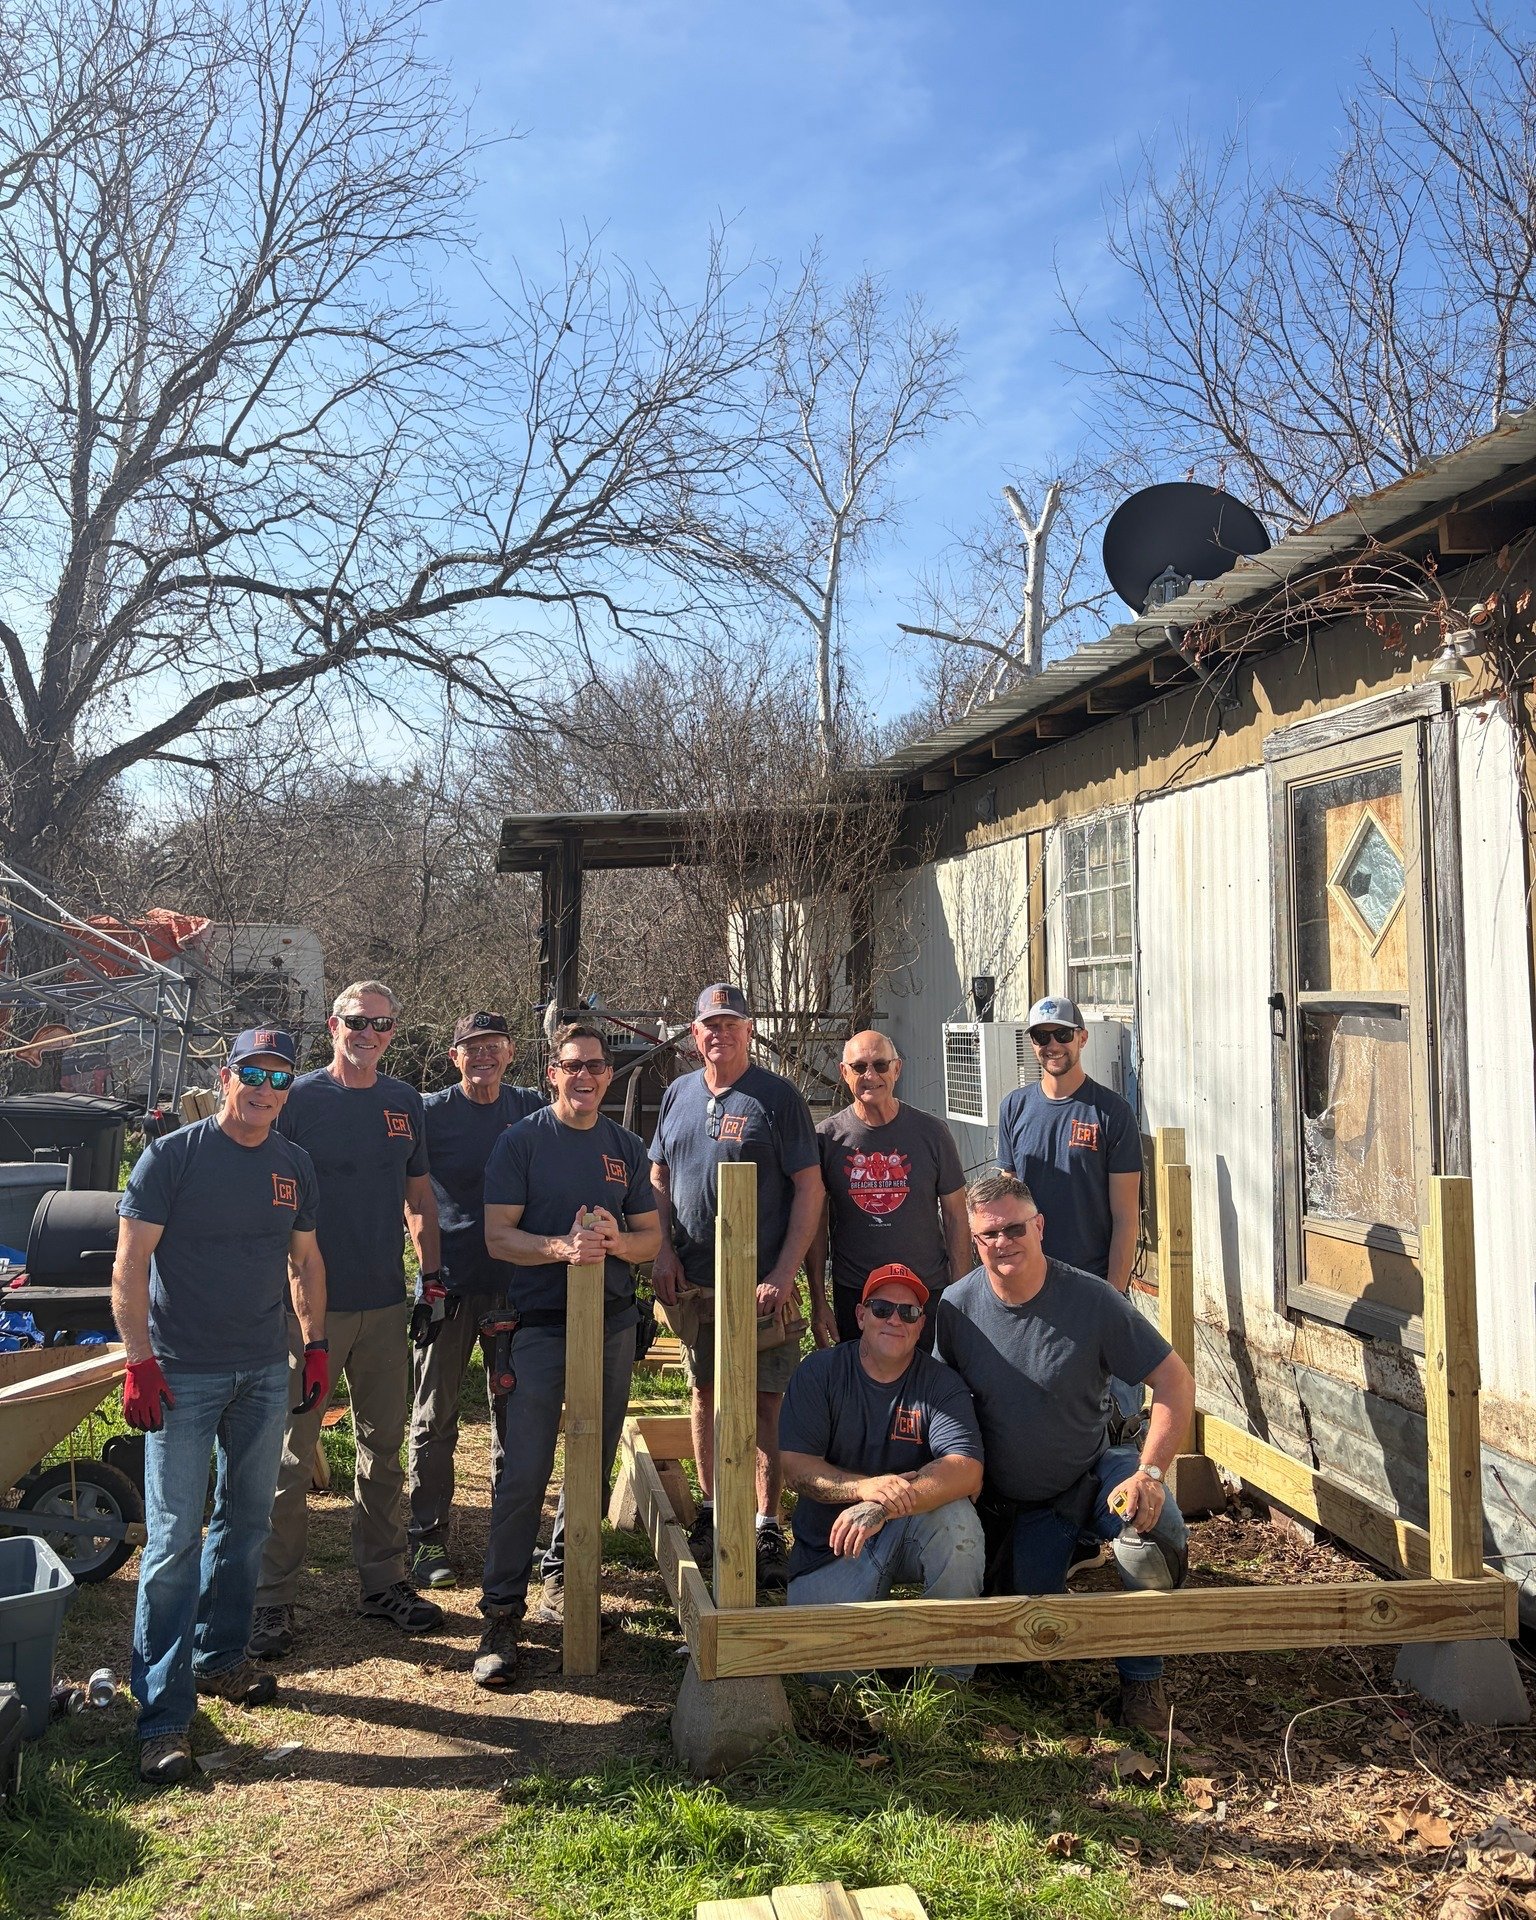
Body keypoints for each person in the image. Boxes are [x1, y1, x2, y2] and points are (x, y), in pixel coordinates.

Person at [112, 1028, 326, 1785]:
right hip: (182, 1374)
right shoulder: (173, 1157)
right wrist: (139, 1363)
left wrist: (316, 1343)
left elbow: (304, 1259)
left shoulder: (292, 1163)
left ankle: (221, 1656)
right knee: (174, 1538)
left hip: (264, 1370)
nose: (265, 1089)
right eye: (253, 1074)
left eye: (280, 1077)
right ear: (224, 1074)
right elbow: (131, 1265)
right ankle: (163, 1716)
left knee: (248, 1521)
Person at [934, 1171, 1195, 1733]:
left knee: (1152, 1526)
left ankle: (1143, 1682)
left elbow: (1175, 1382)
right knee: (1025, 1646)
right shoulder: (955, 1308)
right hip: (1015, 1504)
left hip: (1093, 1471)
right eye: (988, 1234)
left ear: (1040, 1227)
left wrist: (1150, 1471)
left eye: (1014, 1228)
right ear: (973, 1240)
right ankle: (1051, 1559)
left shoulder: (1092, 1300)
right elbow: (937, 1404)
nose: (1003, 1242)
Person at [249, 980, 444, 1658]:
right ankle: (272, 1601)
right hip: (307, 1313)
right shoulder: (298, 1099)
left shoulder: (403, 1103)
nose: (370, 1034)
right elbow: (264, 1193)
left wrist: (433, 1279)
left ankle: (385, 1581)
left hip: (387, 1304)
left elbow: (418, 1196)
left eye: (384, 1025)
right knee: (289, 1458)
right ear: (333, 1025)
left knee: (384, 1448)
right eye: (358, 1022)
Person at [471, 1020, 660, 1688]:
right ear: (552, 1072)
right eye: (573, 1065)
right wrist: (560, 1248)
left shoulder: (624, 1148)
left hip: (609, 1326)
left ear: (610, 1075)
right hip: (538, 1326)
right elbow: (498, 1236)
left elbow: (650, 1239)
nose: (585, 1077)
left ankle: (565, 1589)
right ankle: (500, 1615)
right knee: (522, 1472)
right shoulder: (521, 1143)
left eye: (597, 1067)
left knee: (591, 1461)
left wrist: (615, 1241)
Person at [648, 983, 823, 1588]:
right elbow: (659, 1178)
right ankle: (717, 1509)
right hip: (693, 1281)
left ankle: (766, 1521)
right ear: (695, 1035)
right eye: (708, 1025)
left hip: (759, 1288)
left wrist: (782, 1272)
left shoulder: (777, 1098)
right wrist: (663, 1250)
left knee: (765, 1403)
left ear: (748, 1030)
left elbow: (809, 1189)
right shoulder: (676, 1095)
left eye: (730, 1023)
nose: (718, 1034)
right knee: (703, 1391)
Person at [779, 1262, 985, 1682]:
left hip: (904, 1528)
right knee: (824, 1678)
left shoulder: (941, 1384)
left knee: (958, 1521)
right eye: (881, 1308)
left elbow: (965, 1470)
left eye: (908, 1312)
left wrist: (883, 1507)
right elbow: (796, 1469)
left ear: (921, 1324)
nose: (895, 1319)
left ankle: (946, 1678)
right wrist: (866, 1489)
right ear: (860, 1315)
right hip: (832, 1548)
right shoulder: (819, 1373)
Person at [407, 1011, 545, 1590]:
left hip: (516, 1285)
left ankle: (510, 1540)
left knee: (514, 1416)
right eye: (472, 1047)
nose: (483, 1055)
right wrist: (428, 1270)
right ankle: (424, 1540)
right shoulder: (430, 1113)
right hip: (449, 1284)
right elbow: (409, 1193)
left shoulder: (532, 1108)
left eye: (493, 1046)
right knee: (433, 1417)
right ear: (454, 1055)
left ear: (510, 1052)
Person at [807, 1030, 969, 1350]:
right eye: (859, 1067)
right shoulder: (825, 1140)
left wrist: (962, 1296)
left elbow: (956, 1217)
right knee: (862, 1394)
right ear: (843, 1072)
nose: (871, 1075)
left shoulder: (932, 1133)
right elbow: (814, 1227)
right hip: (857, 1296)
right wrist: (817, 1300)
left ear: (897, 1069)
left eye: (881, 1065)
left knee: (927, 1392)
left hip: (926, 1292)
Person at [996, 995, 1142, 1296]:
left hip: (1090, 1284)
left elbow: (1126, 1219)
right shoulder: (1013, 1107)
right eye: (1041, 1036)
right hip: (1028, 1280)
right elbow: (1007, 1206)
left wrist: (1113, 1296)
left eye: (1063, 1034)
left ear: (1082, 1038)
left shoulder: (1112, 1112)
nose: (1052, 1045)